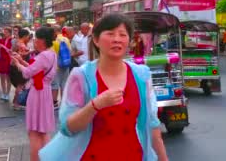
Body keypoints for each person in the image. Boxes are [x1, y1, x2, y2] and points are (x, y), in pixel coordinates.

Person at [38, 13, 168, 161]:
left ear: (129, 41)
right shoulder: (81, 76)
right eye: (110, 34)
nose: (117, 39)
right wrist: (95, 105)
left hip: (133, 155)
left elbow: (153, 125)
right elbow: (68, 128)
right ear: (96, 40)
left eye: (122, 35)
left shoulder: (141, 75)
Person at [10, 27, 57, 161]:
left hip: (38, 93)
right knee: (43, 131)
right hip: (45, 92)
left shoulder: (43, 56)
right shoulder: (51, 54)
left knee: (34, 132)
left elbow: (27, 72)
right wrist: (21, 60)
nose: (34, 41)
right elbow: (35, 70)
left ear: (42, 40)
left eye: (36, 38)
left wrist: (17, 63)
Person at [11, 29, 32, 110]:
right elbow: (21, 56)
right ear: (25, 36)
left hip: (14, 65)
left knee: (19, 85)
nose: (28, 38)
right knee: (21, 84)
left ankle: (15, 101)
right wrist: (31, 51)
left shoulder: (16, 42)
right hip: (18, 66)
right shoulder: (21, 45)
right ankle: (16, 103)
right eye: (28, 36)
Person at [0, 27, 14, 101]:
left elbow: (11, 51)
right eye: (4, 32)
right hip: (2, 59)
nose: (5, 33)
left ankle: (7, 93)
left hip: (8, 59)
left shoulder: (12, 40)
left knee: (8, 78)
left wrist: (3, 47)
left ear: (10, 33)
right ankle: (3, 93)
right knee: (2, 78)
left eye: (6, 32)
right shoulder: (1, 40)